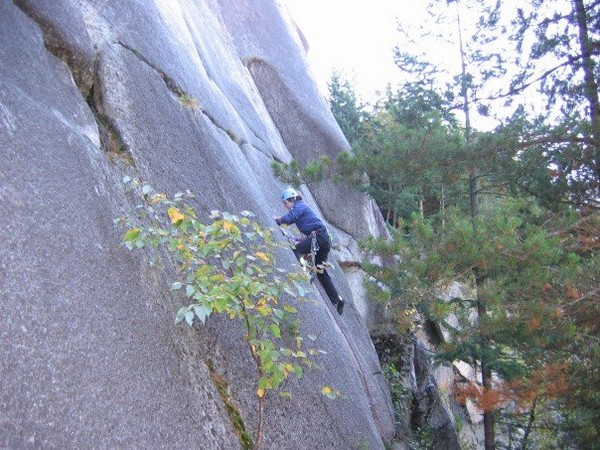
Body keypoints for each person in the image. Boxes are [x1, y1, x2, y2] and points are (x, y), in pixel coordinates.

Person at [274, 187, 345, 315]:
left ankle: (306, 273)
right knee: (321, 270)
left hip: (320, 237)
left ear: (289, 200)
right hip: (323, 239)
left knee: (296, 250)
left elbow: (290, 218)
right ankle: (337, 299)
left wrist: (277, 220)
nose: (285, 206)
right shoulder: (300, 207)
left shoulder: (299, 205)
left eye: (285, 203)